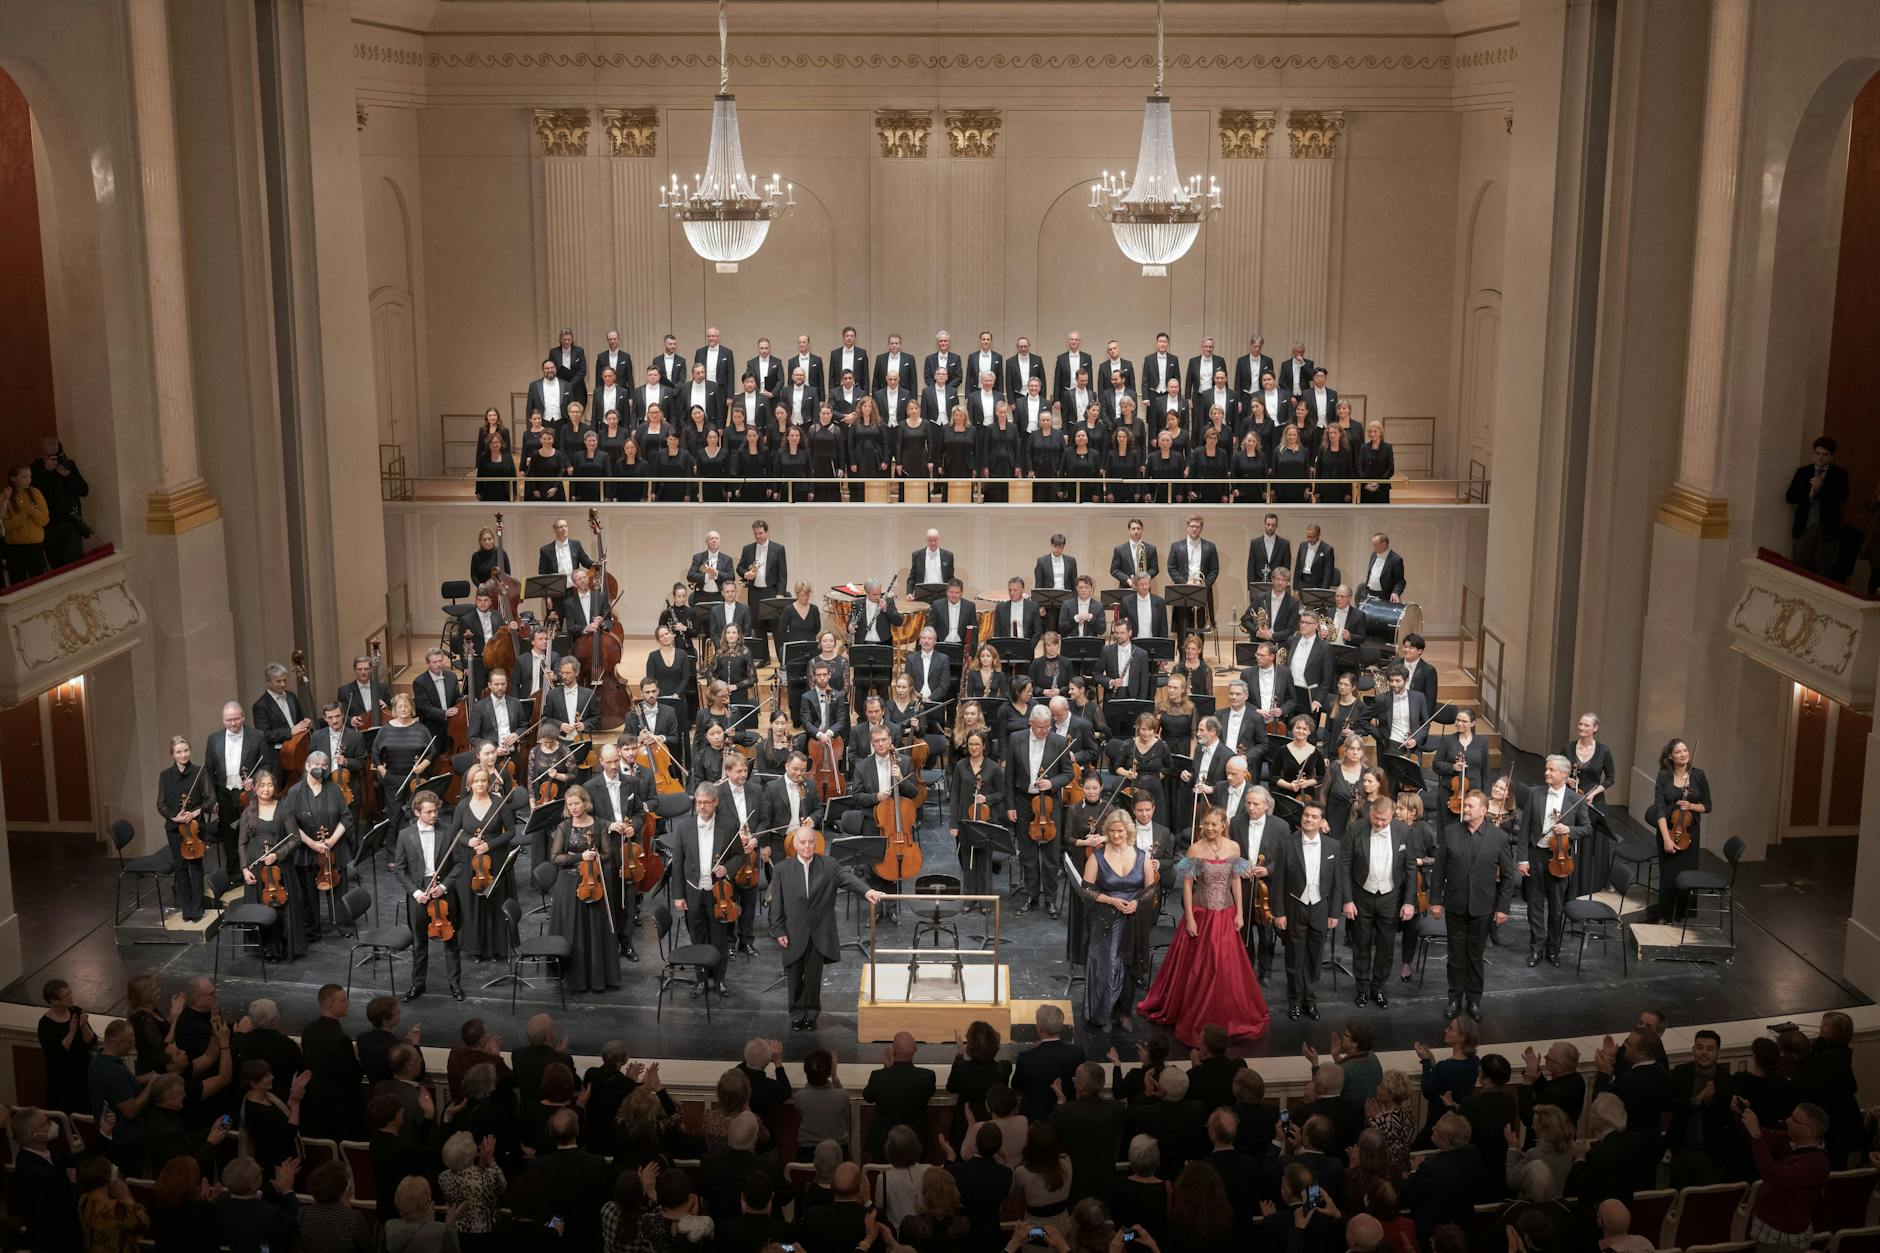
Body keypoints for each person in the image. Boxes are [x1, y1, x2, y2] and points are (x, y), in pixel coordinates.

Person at [1138, 809, 1268, 1044]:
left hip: (1226, 913)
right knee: (1199, 967)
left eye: (1214, 825)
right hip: (1201, 912)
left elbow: (1236, 880)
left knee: (1224, 966)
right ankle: (1194, 1011)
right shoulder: (1195, 849)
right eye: (1205, 824)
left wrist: (1239, 912)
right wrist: (1188, 917)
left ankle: (1223, 1013)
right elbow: (1187, 885)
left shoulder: (1233, 847)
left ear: (1223, 825)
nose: (1209, 828)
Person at [770, 821, 885, 1030]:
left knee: (813, 978)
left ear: (816, 844)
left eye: (810, 842)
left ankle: (811, 1014)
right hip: (793, 932)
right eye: (802, 842)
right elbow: (776, 904)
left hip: (818, 933)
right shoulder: (781, 869)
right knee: (794, 975)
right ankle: (796, 1014)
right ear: (795, 844)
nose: (806, 846)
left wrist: (867, 891)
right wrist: (778, 930)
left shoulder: (829, 865)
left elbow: (848, 879)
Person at [1429, 791, 1516, 1020]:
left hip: (1482, 906)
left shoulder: (1499, 837)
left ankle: (1474, 1000)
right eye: (1464, 805)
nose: (1465, 809)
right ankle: (1454, 999)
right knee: (1455, 956)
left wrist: (1503, 908)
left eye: (1469, 806)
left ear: (1483, 811)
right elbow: (1438, 870)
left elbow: (1508, 877)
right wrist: (1435, 900)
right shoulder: (1450, 832)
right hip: (1455, 904)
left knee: (1475, 957)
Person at [1081, 810, 1159, 1031]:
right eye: (1112, 831)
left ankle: (1124, 1013)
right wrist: (1112, 901)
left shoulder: (1142, 855)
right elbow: (1086, 889)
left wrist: (1137, 902)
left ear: (1128, 832)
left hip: (1134, 918)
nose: (1116, 835)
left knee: (1129, 967)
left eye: (1120, 831)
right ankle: (1103, 1013)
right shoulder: (1097, 856)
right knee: (1107, 966)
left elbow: (1151, 889)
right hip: (1105, 918)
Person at [392, 789, 466, 1003]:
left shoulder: (449, 830)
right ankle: (417, 984)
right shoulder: (405, 835)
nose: (434, 816)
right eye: (429, 812)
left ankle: (455, 984)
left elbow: (460, 863)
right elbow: (399, 869)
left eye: (435, 812)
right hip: (418, 890)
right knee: (419, 942)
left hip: (442, 889)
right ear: (417, 812)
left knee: (450, 940)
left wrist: (443, 887)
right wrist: (415, 892)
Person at [1276, 801, 1347, 1022]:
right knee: (1294, 956)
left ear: (1321, 821)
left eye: (1314, 817)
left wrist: (1334, 913)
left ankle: (1310, 1000)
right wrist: (1279, 913)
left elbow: (1337, 883)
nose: (1308, 819)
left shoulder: (1333, 846)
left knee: (1315, 958)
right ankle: (1294, 1001)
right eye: (1306, 815)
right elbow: (1278, 882)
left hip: (1320, 907)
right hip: (1295, 906)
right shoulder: (1287, 844)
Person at [1342, 797, 1415, 1009]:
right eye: (1376, 817)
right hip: (1361, 895)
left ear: (1392, 815)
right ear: (1370, 812)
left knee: (1386, 946)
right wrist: (1347, 900)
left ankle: (1378, 988)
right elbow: (1344, 865)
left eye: (1384, 819)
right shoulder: (1356, 829)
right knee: (1361, 945)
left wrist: (1409, 902)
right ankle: (1362, 989)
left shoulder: (1403, 831)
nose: (1379, 823)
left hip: (1390, 898)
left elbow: (1410, 868)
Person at [1519, 755, 1592, 966]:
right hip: (1536, 856)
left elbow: (1587, 829)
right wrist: (1522, 859)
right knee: (1534, 906)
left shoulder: (1575, 799)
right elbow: (1524, 830)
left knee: (1556, 908)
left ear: (1564, 774)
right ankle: (1536, 948)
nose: (1546, 773)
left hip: (1560, 859)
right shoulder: (1535, 794)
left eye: (1551, 770)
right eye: (1546, 769)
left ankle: (1553, 948)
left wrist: (1569, 829)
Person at [549, 785, 621, 994]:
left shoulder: (598, 825)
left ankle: (599, 977)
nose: (573, 808)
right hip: (569, 886)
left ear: (585, 803)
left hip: (594, 883)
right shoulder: (564, 827)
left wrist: (596, 856)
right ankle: (575, 978)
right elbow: (555, 858)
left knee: (596, 931)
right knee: (574, 931)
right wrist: (580, 857)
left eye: (577, 803)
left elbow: (608, 854)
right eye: (569, 804)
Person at [1653, 737, 1711, 923]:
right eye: (1678, 752)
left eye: (1685, 750)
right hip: (1667, 831)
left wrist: (1691, 806)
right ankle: (1665, 915)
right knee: (1668, 875)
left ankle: (1683, 915)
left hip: (1689, 832)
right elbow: (1659, 809)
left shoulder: (1698, 775)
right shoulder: (1663, 776)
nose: (1683, 754)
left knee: (1687, 874)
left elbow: (1707, 806)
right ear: (1670, 756)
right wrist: (1666, 839)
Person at [1787, 435, 1850, 575]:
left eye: (1825, 454)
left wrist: (1821, 489)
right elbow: (1790, 497)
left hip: (1827, 529)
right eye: (1817, 453)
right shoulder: (1803, 472)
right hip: (1804, 526)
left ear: (1832, 456)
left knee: (1822, 570)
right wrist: (1809, 494)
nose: (1820, 457)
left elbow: (1841, 500)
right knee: (1800, 568)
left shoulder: (1840, 475)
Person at [1, 462, 50, 582]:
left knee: (39, 581)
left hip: (35, 546)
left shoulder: (35, 493)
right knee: (18, 582)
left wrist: (32, 511)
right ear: (13, 478)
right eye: (24, 477)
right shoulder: (6, 497)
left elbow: (45, 520)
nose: (28, 480)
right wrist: (24, 514)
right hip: (15, 549)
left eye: (30, 477)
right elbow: (5, 527)